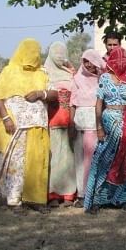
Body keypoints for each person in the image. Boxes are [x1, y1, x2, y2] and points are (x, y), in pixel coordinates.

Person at [0, 39, 57, 214]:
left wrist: (41, 93)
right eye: (30, 50)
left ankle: (35, 199)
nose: (33, 54)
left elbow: (54, 94)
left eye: (36, 51)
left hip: (37, 126)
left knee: (36, 163)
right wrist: (6, 119)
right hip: (16, 127)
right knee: (16, 165)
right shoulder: (10, 71)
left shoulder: (42, 72)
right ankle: (13, 201)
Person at [84, 47, 126, 214]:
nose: (120, 63)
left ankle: (122, 199)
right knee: (104, 158)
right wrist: (99, 127)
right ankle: (97, 199)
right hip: (108, 121)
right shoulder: (104, 78)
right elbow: (99, 104)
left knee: (125, 160)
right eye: (117, 59)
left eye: (123, 60)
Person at [69, 49, 106, 208]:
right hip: (79, 125)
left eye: (91, 61)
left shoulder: (102, 79)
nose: (88, 65)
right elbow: (72, 102)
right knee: (80, 160)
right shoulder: (76, 79)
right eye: (85, 61)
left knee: (93, 160)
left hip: (96, 124)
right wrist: (71, 123)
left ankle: (95, 193)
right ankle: (82, 194)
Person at [45, 41, 76, 208]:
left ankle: (69, 194)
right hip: (51, 122)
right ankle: (52, 195)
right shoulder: (45, 73)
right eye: (56, 52)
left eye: (62, 52)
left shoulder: (71, 74)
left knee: (68, 161)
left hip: (69, 122)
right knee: (53, 160)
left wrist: (69, 65)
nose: (59, 56)